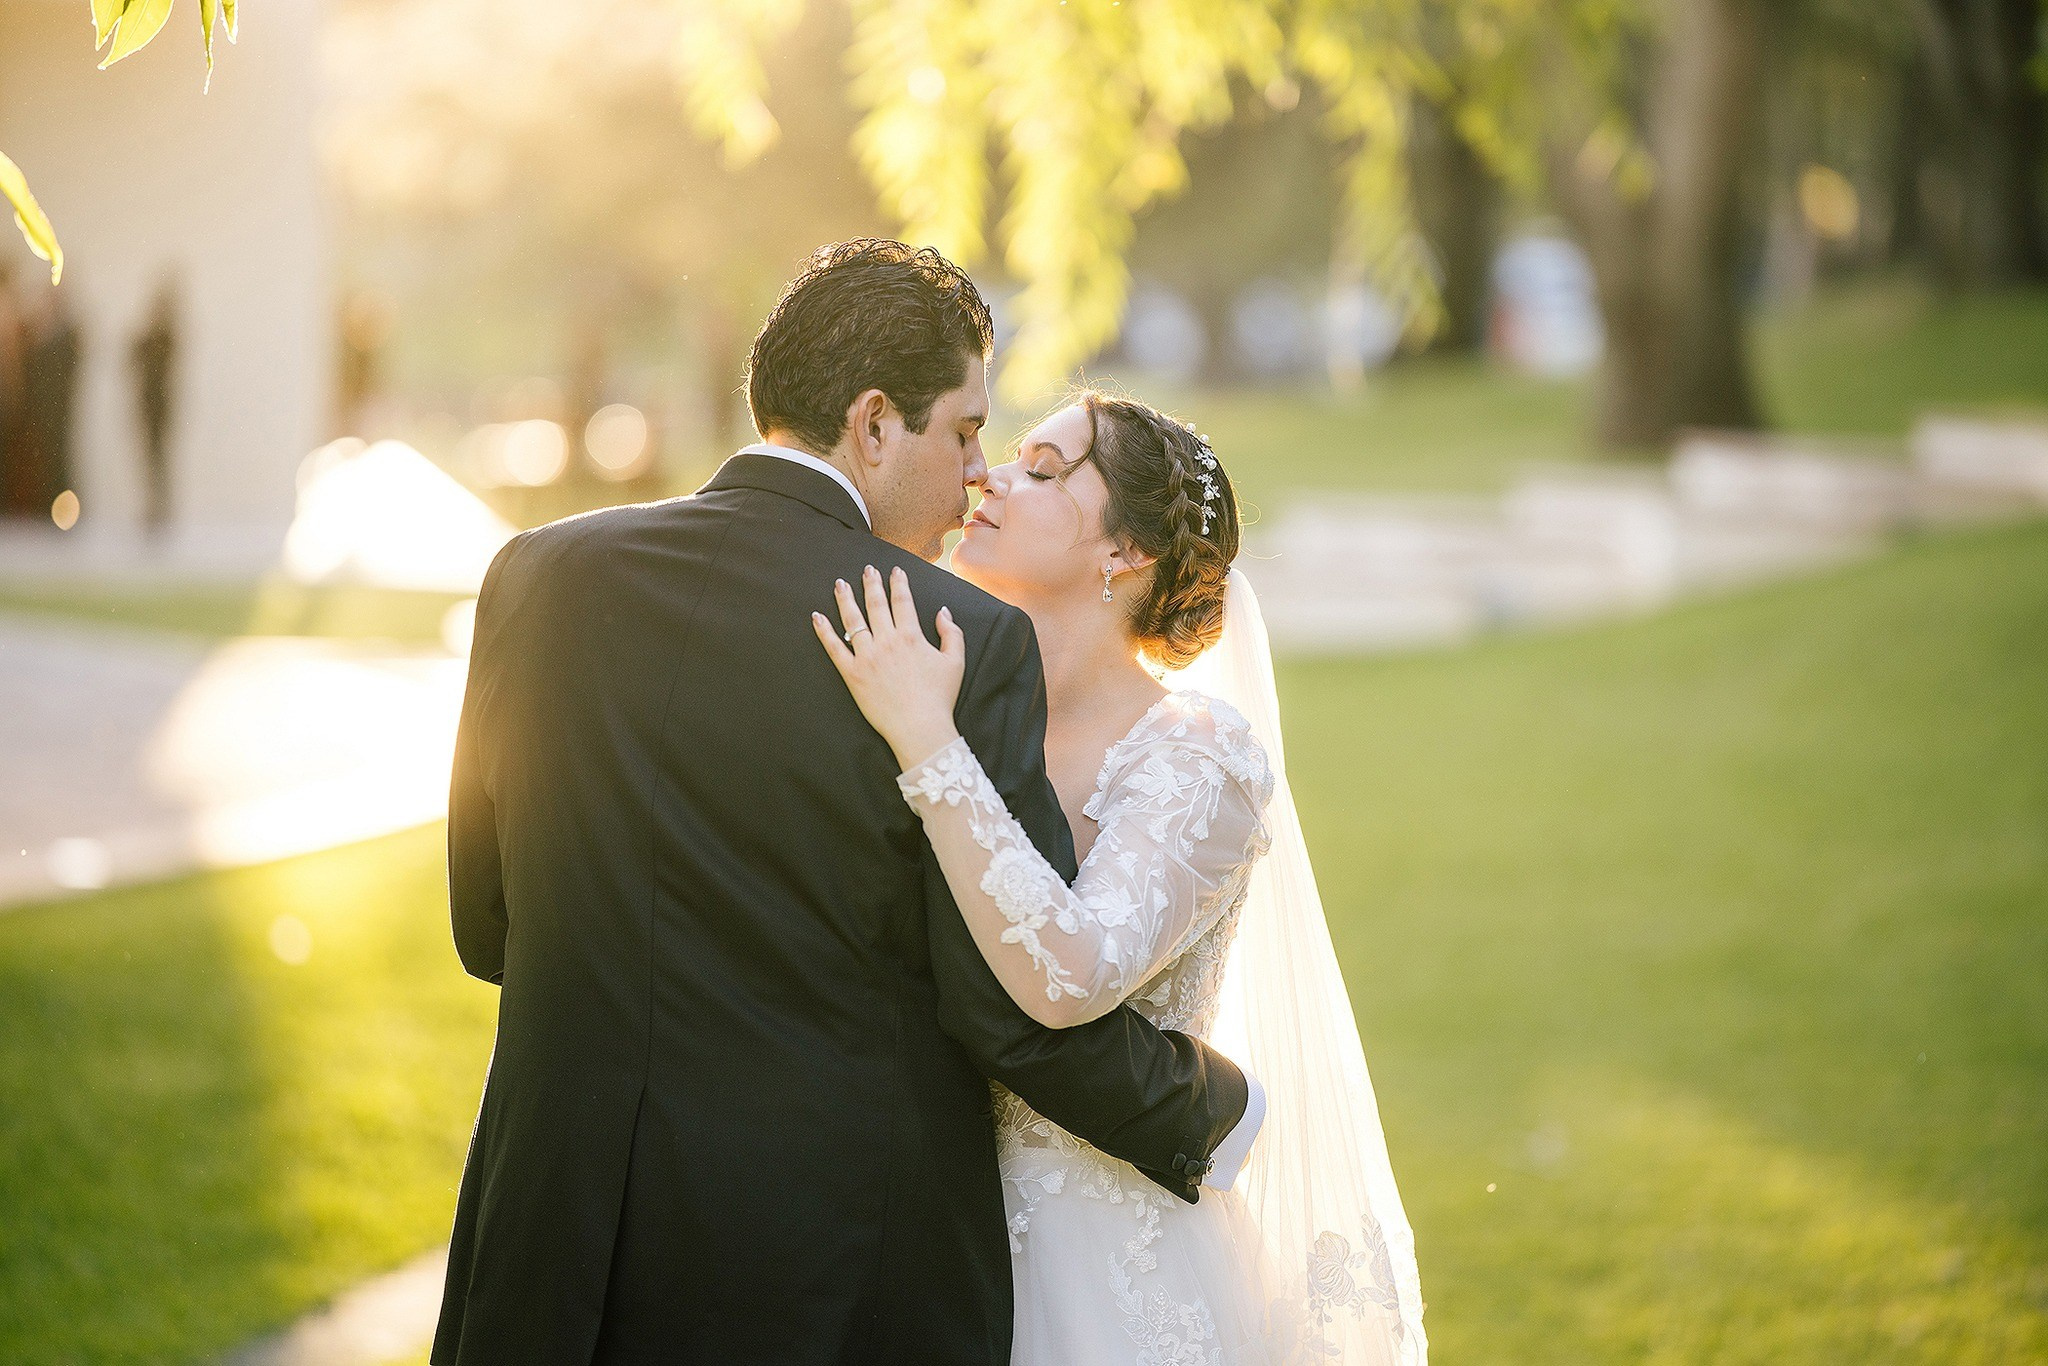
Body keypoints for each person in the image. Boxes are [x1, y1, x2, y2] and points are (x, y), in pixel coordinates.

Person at [430, 240, 1259, 1366]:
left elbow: (488, 927)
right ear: (873, 424)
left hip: (554, 1234)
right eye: (966, 433)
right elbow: (999, 1005)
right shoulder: (945, 639)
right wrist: (1200, 1103)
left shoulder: (535, 571)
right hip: (811, 1263)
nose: (979, 474)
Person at [816, 393, 1428, 1364]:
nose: (990, 477)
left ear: (1124, 551)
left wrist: (926, 744)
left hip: (1111, 1268)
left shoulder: (1196, 757)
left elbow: (1072, 974)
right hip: (923, 1239)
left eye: (1044, 468)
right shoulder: (945, 695)